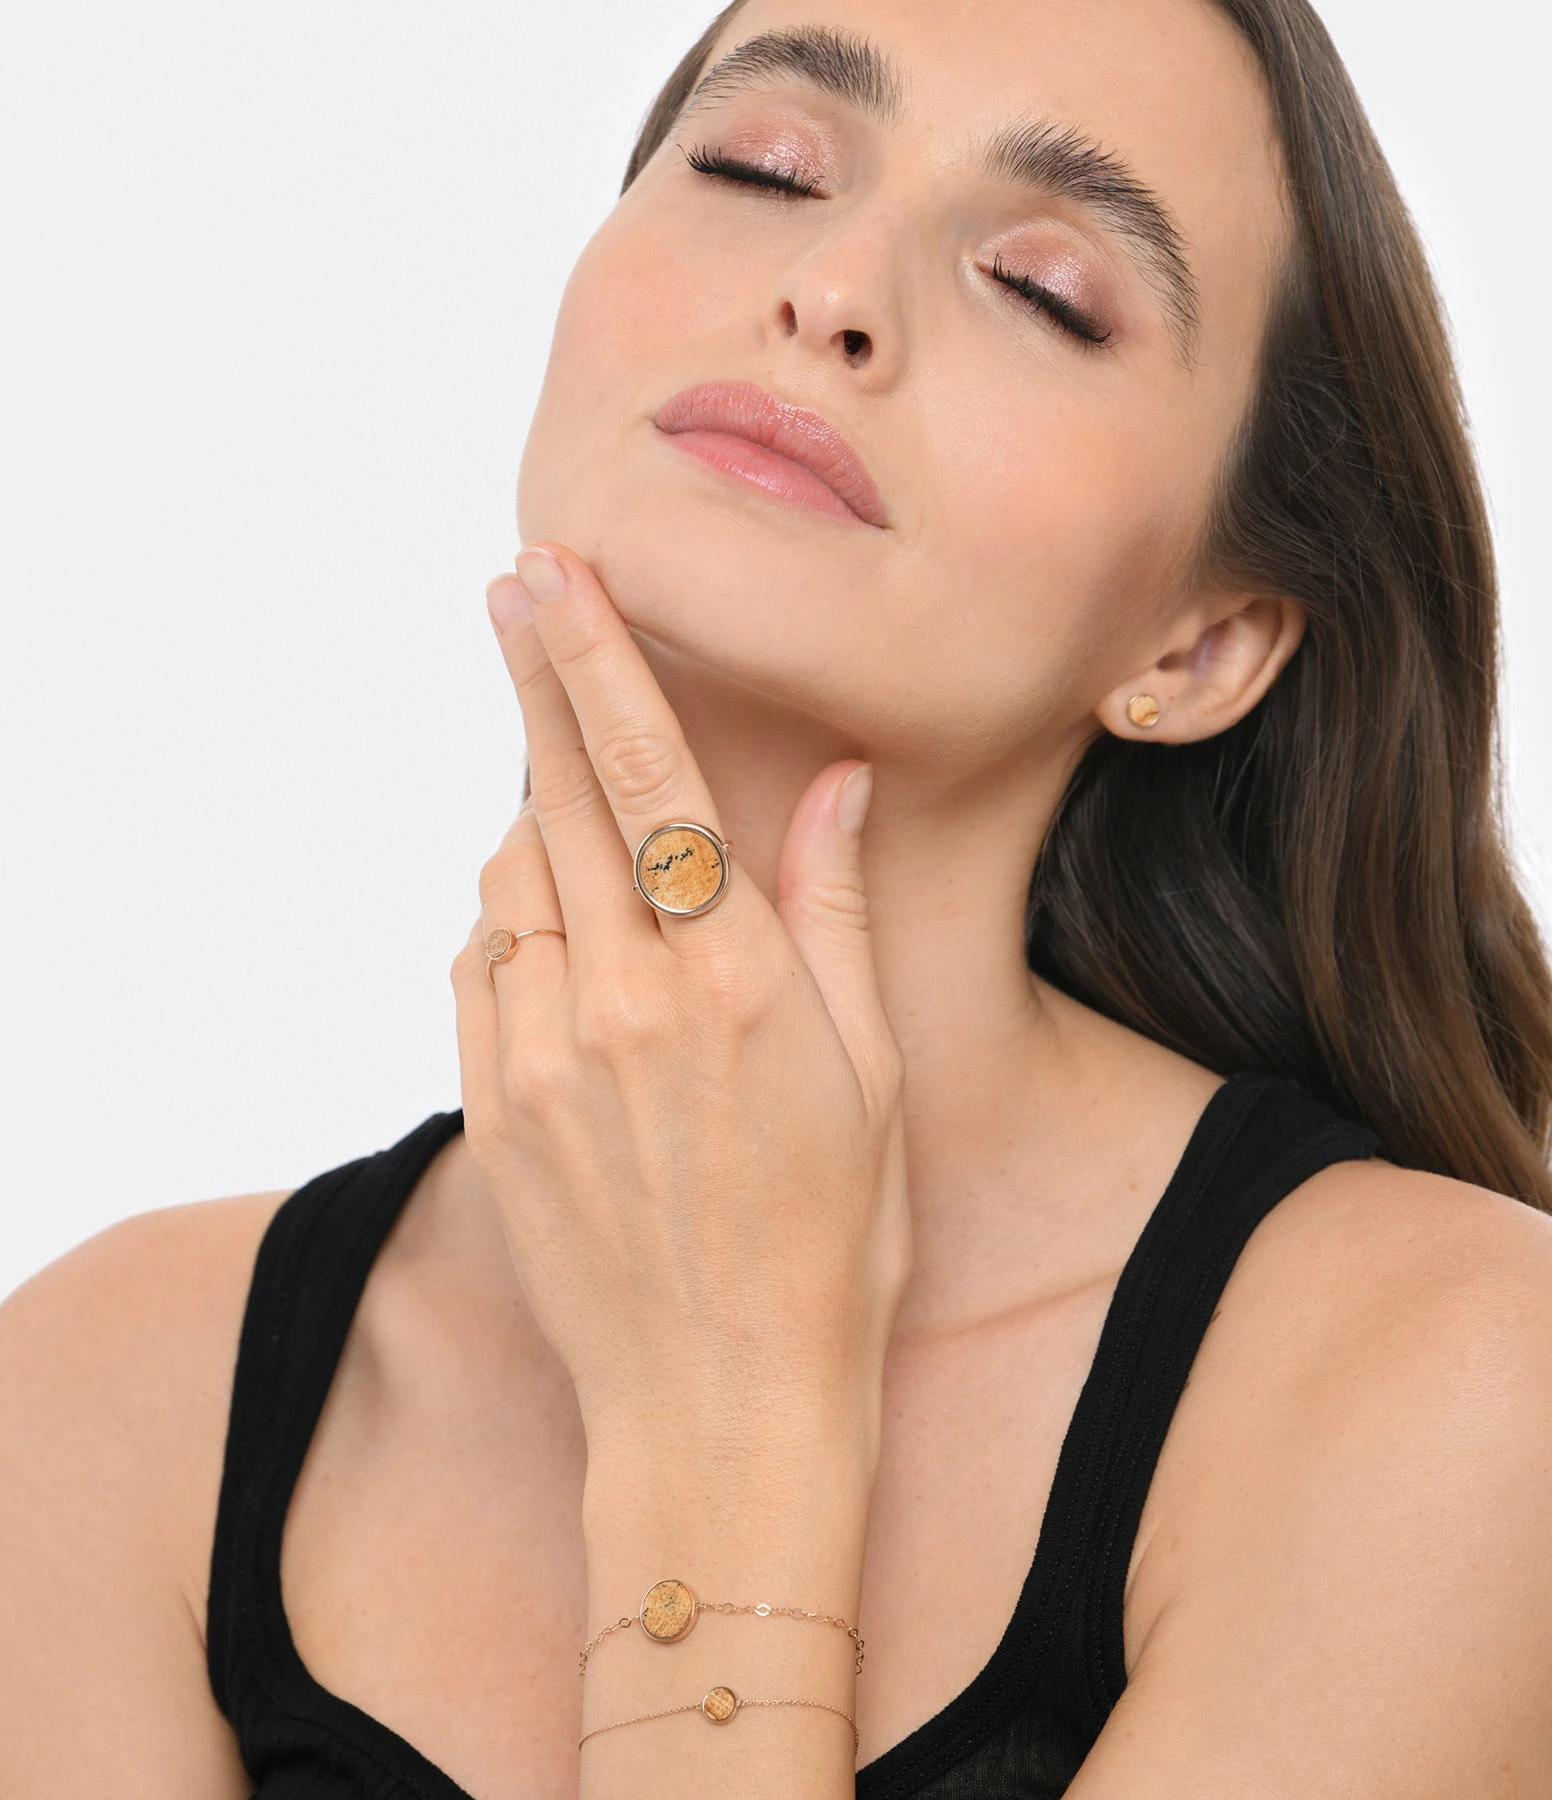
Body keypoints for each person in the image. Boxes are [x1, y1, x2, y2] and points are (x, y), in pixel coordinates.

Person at [4, 0, 1552, 1793]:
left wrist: (719, 1422)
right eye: (763, 165)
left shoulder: (1447, 1392)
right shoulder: (110, 1393)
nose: (833, 288)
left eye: (1045, 290)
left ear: (1198, 646)